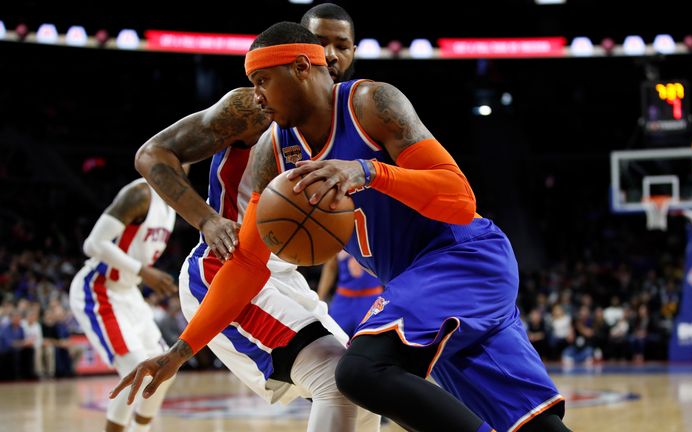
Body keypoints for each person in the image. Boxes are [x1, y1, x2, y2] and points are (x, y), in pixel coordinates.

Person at [116, 21, 570, 432]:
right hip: (419, 285)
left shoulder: (372, 103)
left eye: (261, 81)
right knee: (534, 427)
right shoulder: (271, 153)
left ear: (298, 68)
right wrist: (181, 350)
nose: (254, 96)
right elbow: (248, 264)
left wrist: (368, 171)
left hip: (461, 258)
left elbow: (460, 199)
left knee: (358, 372)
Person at [111, 5, 379, 432]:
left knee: (364, 384)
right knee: (337, 378)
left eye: (340, 45)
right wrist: (207, 221)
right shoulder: (255, 107)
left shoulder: (352, 118)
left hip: (283, 273)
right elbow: (152, 154)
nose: (328, 54)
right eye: (318, 42)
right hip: (228, 264)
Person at [69, 176, 180, 432]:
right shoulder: (140, 193)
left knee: (164, 369)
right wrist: (144, 271)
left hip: (129, 293)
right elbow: (93, 244)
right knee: (134, 371)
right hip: (99, 289)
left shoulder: (172, 203)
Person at [317, 251, 384, 337]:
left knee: (371, 342)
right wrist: (319, 299)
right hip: (344, 300)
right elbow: (331, 267)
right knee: (335, 340)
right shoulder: (339, 239)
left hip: (372, 299)